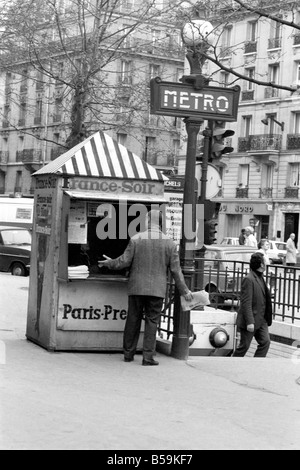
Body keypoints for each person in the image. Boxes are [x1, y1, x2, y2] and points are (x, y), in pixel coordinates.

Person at [98, 210, 193, 366]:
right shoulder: (169, 243)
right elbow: (176, 271)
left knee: (133, 319)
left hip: (137, 287)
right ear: (161, 223)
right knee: (152, 321)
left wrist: (109, 263)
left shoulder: (136, 239)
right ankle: (148, 357)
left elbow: (123, 262)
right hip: (157, 290)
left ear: (148, 220)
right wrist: (185, 291)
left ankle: (128, 354)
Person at [232, 252, 273, 358]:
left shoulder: (260, 277)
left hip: (261, 319)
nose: (266, 264)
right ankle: (232, 363)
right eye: (265, 262)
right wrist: (250, 322)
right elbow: (246, 303)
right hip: (250, 320)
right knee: (244, 347)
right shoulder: (248, 279)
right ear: (260, 264)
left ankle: (256, 363)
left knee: (265, 342)